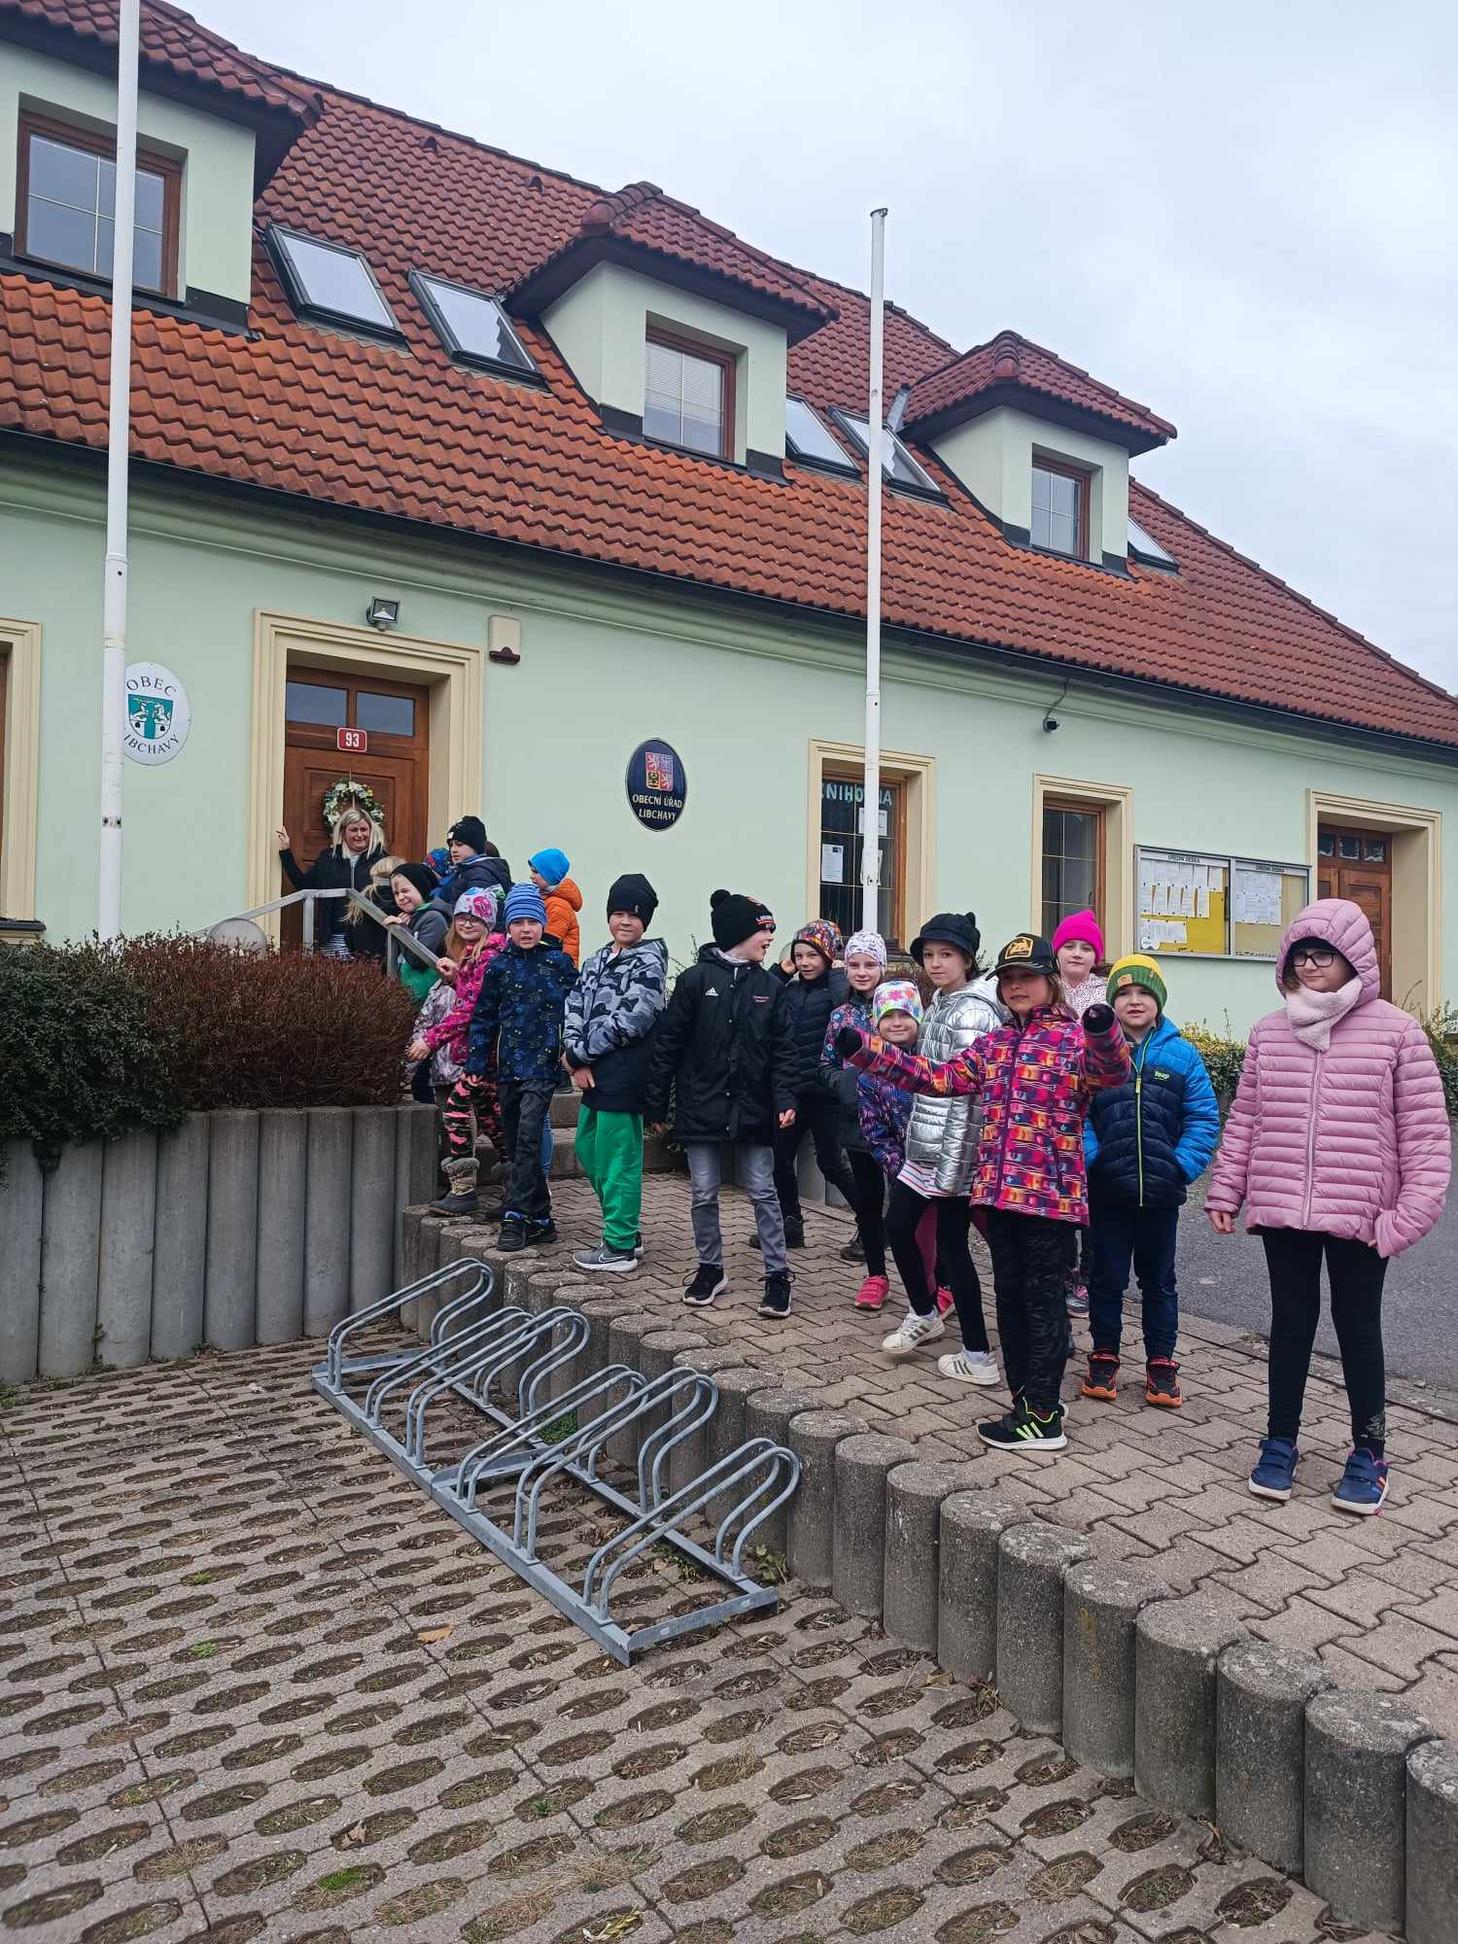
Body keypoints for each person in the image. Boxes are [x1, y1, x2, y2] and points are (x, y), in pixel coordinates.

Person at [1205, 898, 1450, 1514]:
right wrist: (1227, 1187)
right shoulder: (1269, 1031)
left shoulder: (1398, 1033)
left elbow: (1425, 1137)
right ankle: (1280, 1441)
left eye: (1323, 955)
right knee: (1290, 1324)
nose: (1309, 965)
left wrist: (1404, 1219)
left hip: (1362, 1216)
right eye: (1300, 955)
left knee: (1358, 1328)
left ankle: (1370, 1452)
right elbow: (1247, 1117)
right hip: (1284, 1203)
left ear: (1355, 959)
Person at [842, 932, 1129, 1450]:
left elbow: (1112, 1072)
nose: (1017, 986)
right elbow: (936, 1078)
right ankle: (1028, 1402)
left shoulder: (1072, 1040)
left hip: (1048, 1200)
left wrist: (1103, 1028)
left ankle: (1043, 1416)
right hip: (997, 1196)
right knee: (1011, 1302)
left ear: (1050, 982)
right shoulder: (996, 1043)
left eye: (1028, 977)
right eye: (1009, 978)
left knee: (1041, 1306)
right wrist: (867, 1050)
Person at [644, 889, 798, 1318]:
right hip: (701, 1106)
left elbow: (784, 1052)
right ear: (737, 934)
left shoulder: (771, 987)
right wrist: (656, 1105)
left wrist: (785, 1098)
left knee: (763, 1191)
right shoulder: (695, 981)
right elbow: (668, 1045)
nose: (770, 938)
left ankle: (778, 1275)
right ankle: (710, 1268)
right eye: (763, 930)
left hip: (755, 1108)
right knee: (703, 1192)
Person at [1080, 955, 1220, 1411]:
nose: (1134, 1001)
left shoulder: (1182, 1055)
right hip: (1108, 1191)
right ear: (1112, 1002)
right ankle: (1104, 1354)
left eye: (1143, 992)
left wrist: (1181, 1165)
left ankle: (1161, 1361)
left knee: (1159, 1282)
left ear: (1158, 1000)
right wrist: (1095, 1160)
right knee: (1106, 1279)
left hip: (1161, 1194)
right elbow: (1078, 1112)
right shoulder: (1093, 1054)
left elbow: (1203, 1117)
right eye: (1124, 993)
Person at [871, 913, 1004, 1383]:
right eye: (929, 955)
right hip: (926, 1148)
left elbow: (969, 1098)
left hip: (954, 1155)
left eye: (946, 954)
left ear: (967, 959)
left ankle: (978, 1354)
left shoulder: (973, 1012)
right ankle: (925, 1313)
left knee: (953, 1248)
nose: (935, 963)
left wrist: (954, 1168)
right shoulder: (944, 1002)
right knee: (899, 1226)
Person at [563, 873, 667, 1272]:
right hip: (593, 1069)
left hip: (625, 1072)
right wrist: (574, 1054)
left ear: (645, 921)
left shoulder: (649, 962)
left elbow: (632, 1019)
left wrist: (579, 1054)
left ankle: (620, 1245)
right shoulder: (596, 959)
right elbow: (574, 1005)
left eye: (634, 915)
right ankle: (625, 1228)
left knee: (618, 1158)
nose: (625, 921)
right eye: (618, 913)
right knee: (589, 1148)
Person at [464, 883, 577, 1251]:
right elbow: (483, 1017)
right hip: (509, 1067)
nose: (526, 929)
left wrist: (572, 1052)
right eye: (518, 923)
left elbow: (578, 1009)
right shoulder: (499, 966)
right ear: (508, 927)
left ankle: (515, 1217)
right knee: (515, 1144)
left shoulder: (559, 963)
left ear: (543, 924)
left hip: (544, 1066)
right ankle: (542, 1220)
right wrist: (476, 1061)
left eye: (532, 922)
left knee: (529, 1138)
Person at [408, 890, 505, 1214]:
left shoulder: (488, 957)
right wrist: (454, 980)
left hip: (485, 1053)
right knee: (493, 1120)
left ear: (487, 922)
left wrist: (430, 1040)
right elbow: (470, 998)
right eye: (462, 917)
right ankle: (517, 1189)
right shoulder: (471, 954)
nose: (466, 923)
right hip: (476, 1053)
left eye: (475, 918)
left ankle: (464, 1191)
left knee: (457, 1111)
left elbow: (470, 1011)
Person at [852, 980, 943, 1312]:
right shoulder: (870, 1075)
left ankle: (947, 1288)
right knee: (916, 1236)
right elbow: (874, 1131)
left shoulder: (935, 1060)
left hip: (945, 1167)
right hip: (906, 1173)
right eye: (888, 1016)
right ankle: (925, 1300)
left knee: (948, 1235)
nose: (897, 1023)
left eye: (905, 1015)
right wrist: (901, 1169)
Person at [769, 919, 856, 1248]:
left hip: (824, 1094)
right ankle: (790, 1223)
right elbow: (763, 998)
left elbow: (845, 1001)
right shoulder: (790, 990)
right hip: (792, 1091)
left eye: (813, 956)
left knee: (831, 1164)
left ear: (828, 957)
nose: (804, 962)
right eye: (799, 956)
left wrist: (837, 971)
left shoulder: (835, 989)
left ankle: (872, 1225)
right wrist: (780, 972)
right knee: (780, 1159)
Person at [821, 930, 894, 1302]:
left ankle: (933, 1278)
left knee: (907, 1203)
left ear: (882, 967)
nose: (862, 972)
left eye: (869, 965)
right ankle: (876, 1275)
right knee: (867, 1200)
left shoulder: (898, 1007)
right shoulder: (841, 1016)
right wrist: (847, 1085)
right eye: (854, 965)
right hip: (858, 1121)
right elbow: (826, 1065)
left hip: (898, 1123)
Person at [1052, 909, 1108, 1317]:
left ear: (1096, 957)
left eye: (1085, 948)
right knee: (1057, 1197)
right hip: (1052, 1106)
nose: (1076, 953)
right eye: (1069, 946)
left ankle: (1087, 1276)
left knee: (1089, 1198)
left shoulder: (1106, 995)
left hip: (1096, 1107)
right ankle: (1063, 1269)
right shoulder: (1045, 988)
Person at [276, 781, 387, 955]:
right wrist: (286, 853)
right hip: (334, 940)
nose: (359, 834)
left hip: (369, 941)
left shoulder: (382, 859)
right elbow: (304, 885)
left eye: (364, 829)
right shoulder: (328, 858)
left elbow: (391, 898)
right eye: (354, 830)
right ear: (343, 832)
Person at [385, 862, 447, 1004]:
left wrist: (402, 930)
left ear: (421, 888)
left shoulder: (434, 919)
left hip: (424, 996)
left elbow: (417, 961)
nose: (401, 897)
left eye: (405, 891)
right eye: (396, 893)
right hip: (404, 993)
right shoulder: (408, 917)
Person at [434, 816, 513, 905]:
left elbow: (472, 910)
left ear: (476, 846)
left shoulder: (480, 874)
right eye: (451, 845)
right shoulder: (463, 871)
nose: (453, 850)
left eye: (459, 844)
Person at [528, 848, 584, 967]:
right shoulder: (547, 898)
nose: (531, 876)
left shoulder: (558, 905)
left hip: (557, 970)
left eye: (535, 872)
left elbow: (548, 942)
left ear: (549, 875)